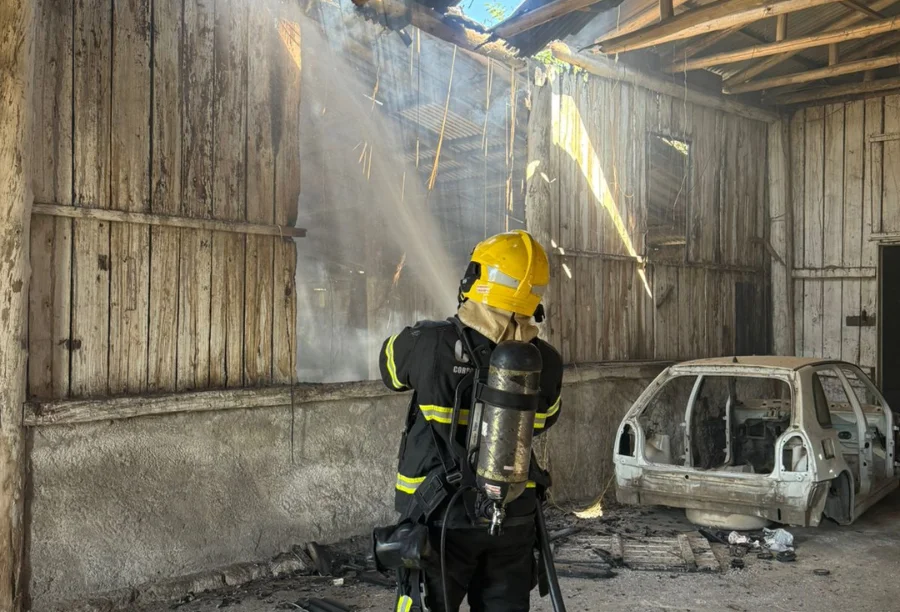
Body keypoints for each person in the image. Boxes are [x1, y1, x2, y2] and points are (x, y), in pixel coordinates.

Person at [377, 229, 563, 612]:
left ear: (476, 278)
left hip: (441, 517)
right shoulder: (546, 361)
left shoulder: (429, 341)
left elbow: (389, 370)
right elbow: (545, 420)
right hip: (513, 518)